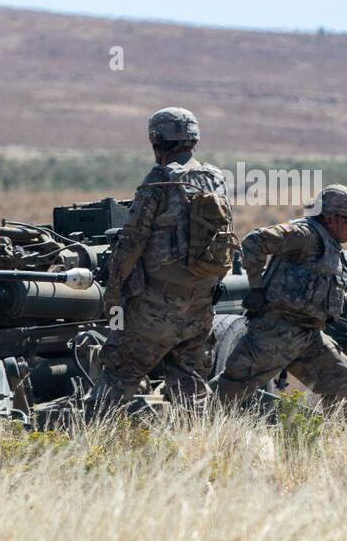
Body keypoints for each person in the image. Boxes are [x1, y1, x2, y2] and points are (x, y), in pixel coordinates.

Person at [87, 107, 236, 416]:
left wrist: (113, 294)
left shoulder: (159, 180)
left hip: (155, 310)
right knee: (190, 384)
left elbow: (131, 242)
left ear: (157, 141)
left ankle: (91, 450)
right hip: (198, 308)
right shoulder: (215, 178)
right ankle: (200, 450)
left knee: (118, 375)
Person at [217, 184, 347, 419]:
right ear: (332, 217)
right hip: (275, 333)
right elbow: (254, 241)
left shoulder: (331, 245)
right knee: (226, 393)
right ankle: (187, 431)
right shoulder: (303, 234)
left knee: (341, 379)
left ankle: (336, 444)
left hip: (308, 336)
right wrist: (256, 288)